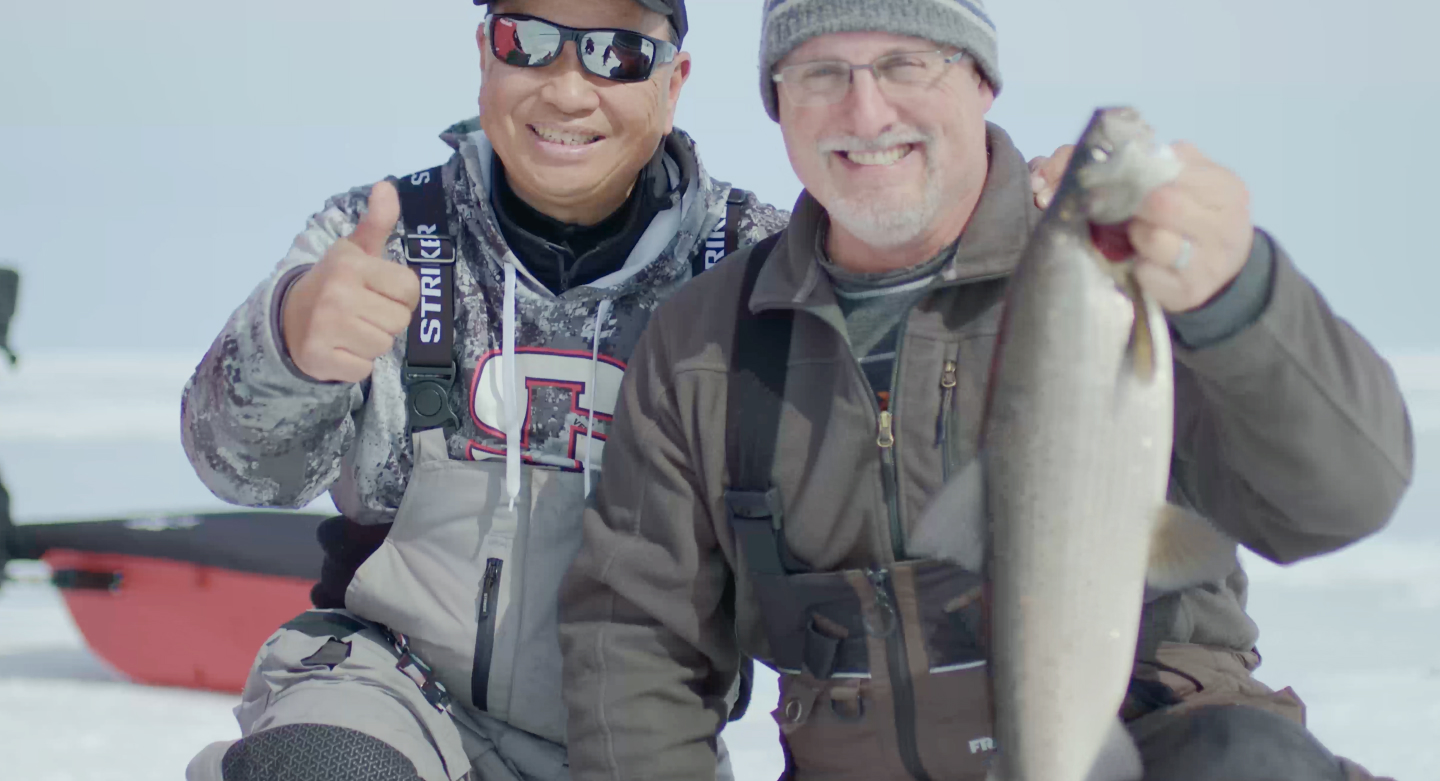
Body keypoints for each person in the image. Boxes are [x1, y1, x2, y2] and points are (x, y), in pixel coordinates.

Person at [557, 1, 1414, 779]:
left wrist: (1236, 298)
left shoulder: (1124, 275)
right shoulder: (706, 340)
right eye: (822, 73)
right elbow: (637, 640)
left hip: (1157, 750)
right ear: (778, 104)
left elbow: (1340, 497)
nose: (866, 111)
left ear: (980, 79)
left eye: (906, 63)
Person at [179, 1, 796, 779]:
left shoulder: (757, 271)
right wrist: (289, 343)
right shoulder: (383, 235)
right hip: (391, 694)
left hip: (639, 734)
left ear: (674, 82)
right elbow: (236, 467)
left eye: (619, 53)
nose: (568, 91)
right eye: (527, 41)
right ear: (484, 55)